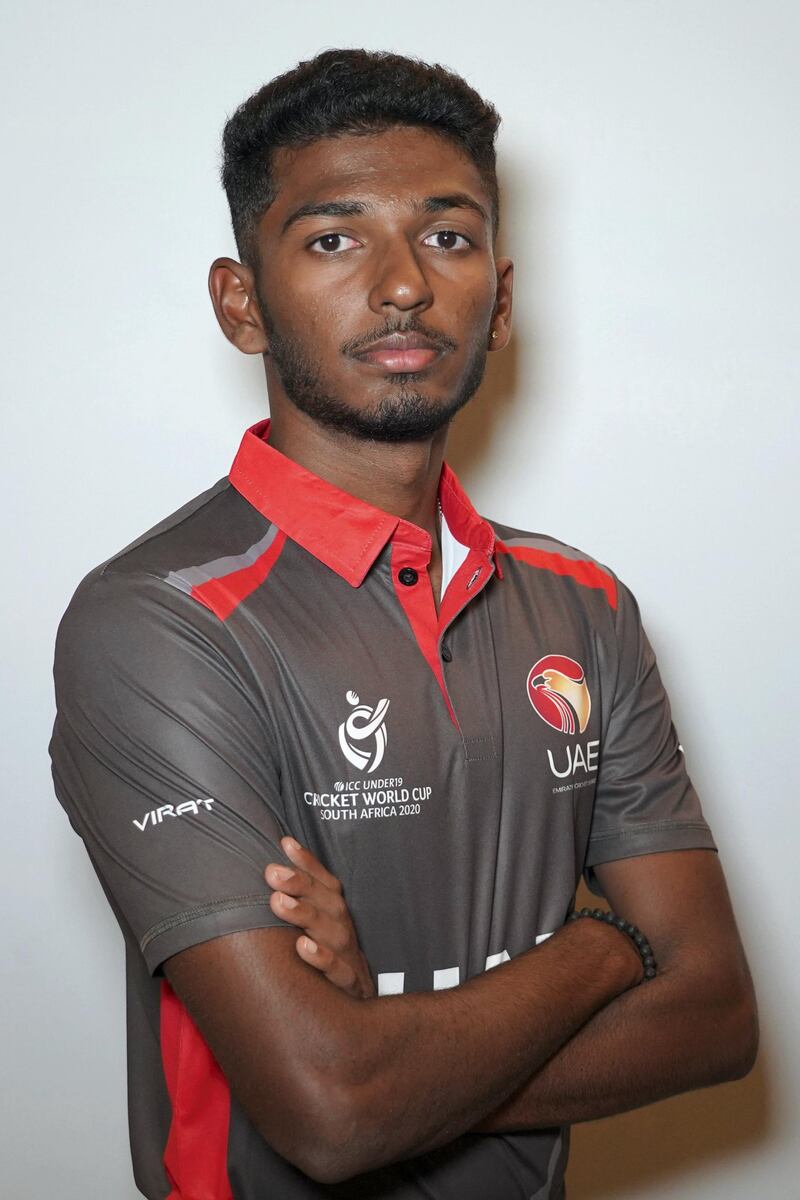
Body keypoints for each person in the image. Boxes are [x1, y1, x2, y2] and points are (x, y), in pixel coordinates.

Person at [49, 48, 757, 1200]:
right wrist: (602, 943)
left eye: (447, 236)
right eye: (333, 239)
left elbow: (716, 1017)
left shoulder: (581, 604)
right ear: (241, 303)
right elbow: (330, 1113)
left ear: (503, 297)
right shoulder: (160, 625)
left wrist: (384, 1039)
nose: (402, 286)